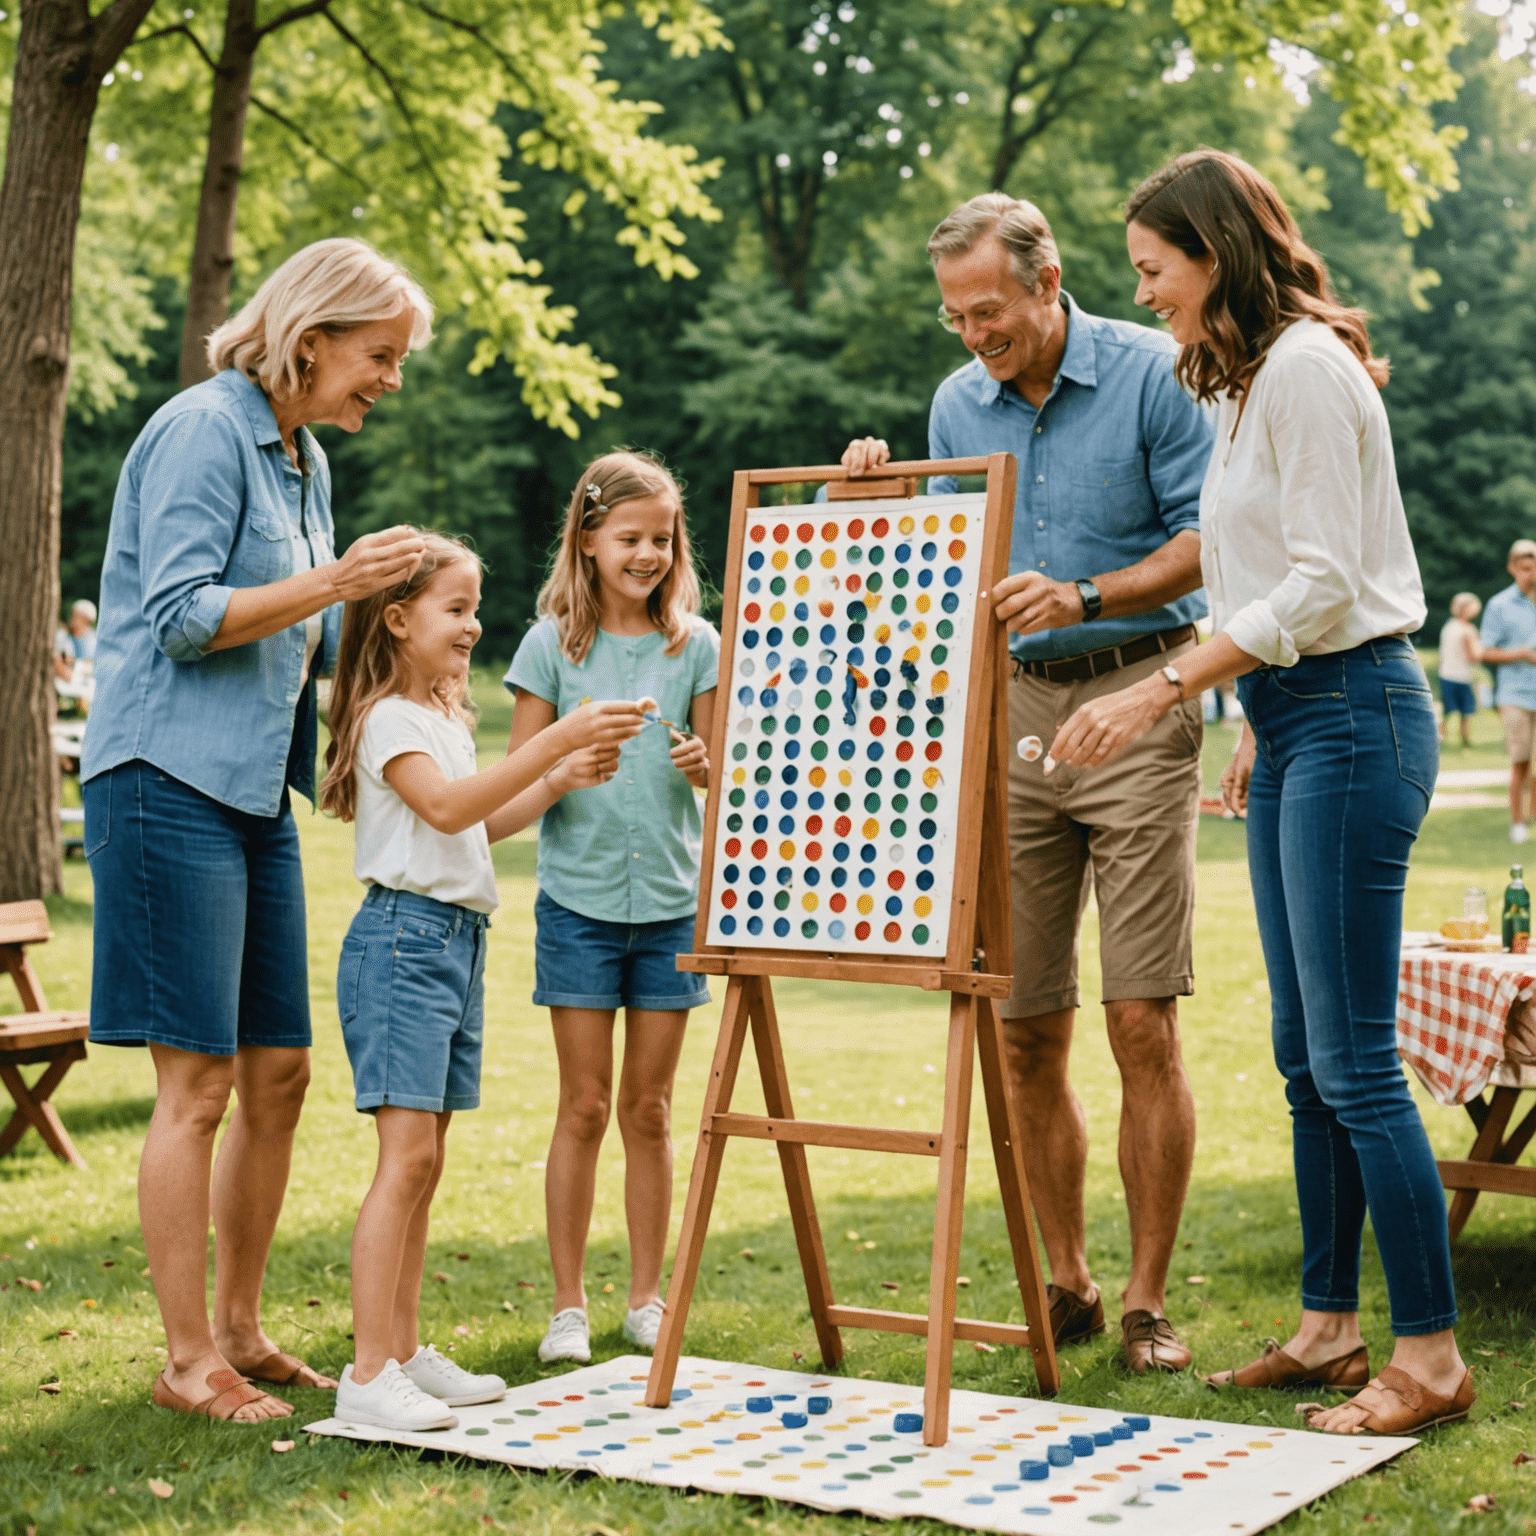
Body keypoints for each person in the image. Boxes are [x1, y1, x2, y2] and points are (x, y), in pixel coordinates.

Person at [1049, 149, 1473, 1436]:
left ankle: (1434, 1358)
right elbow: (1257, 586)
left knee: (1353, 1063)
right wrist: (1247, 713)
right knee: (1304, 1059)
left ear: (1214, 251)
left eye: (1152, 268)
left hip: (1358, 716)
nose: (1147, 292)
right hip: (1297, 724)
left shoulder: (1300, 369)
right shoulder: (1235, 380)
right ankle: (1329, 1328)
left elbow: (1327, 584)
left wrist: (1163, 689)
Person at [839, 192, 1214, 1372]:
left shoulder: (1158, 372)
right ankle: (1069, 1281)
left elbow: (1215, 541)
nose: (971, 335)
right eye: (955, 315)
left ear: (1048, 285)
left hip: (1137, 693)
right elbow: (944, 573)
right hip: (1011, 719)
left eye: (987, 310)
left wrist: (1086, 594)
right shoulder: (959, 401)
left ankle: (1149, 1300)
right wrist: (884, 503)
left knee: (1140, 1016)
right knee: (1023, 1029)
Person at [80, 238, 433, 1424]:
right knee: (197, 1082)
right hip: (161, 774)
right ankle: (188, 1364)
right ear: (313, 334)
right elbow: (181, 618)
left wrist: (419, 617)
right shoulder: (202, 429)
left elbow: (316, 644)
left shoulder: (302, 457)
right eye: (378, 356)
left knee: (277, 1072)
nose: (388, 378)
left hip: (247, 791)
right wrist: (339, 584)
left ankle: (237, 1330)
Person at [317, 532, 644, 1431]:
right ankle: (368, 1368)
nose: (473, 625)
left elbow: (478, 824)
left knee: (429, 1159)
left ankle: (405, 1351)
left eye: (474, 608)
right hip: (402, 944)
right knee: (407, 1157)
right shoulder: (389, 719)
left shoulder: (448, 721)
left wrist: (560, 778)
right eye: (454, 609)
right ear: (397, 619)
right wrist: (558, 737)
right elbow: (449, 807)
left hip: (456, 943)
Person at [503, 451, 718, 1367]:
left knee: (652, 1110)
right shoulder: (551, 646)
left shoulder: (696, 645)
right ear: (588, 541)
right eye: (629, 538)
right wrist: (565, 769)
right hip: (581, 908)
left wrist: (708, 769)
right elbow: (514, 784)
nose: (648, 555)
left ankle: (644, 1296)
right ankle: (566, 1307)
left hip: (670, 907)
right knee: (584, 1105)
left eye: (661, 539)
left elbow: (727, 772)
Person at [1478, 541, 1536, 843]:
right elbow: (1483, 651)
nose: (1531, 573)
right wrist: (1520, 654)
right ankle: (1518, 821)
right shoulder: (1499, 605)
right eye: (1525, 568)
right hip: (1515, 694)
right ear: (1512, 568)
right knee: (1522, 760)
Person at [1437, 593, 1483, 748]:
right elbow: (1473, 656)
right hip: (1462, 675)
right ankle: (1465, 740)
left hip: (1446, 673)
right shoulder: (1466, 630)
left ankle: (1440, 738)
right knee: (1465, 711)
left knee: (1447, 711)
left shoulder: (1448, 626)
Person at [54, 598, 98, 683]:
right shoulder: (62, 635)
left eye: (77, 617)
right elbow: (57, 659)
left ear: (87, 621)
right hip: (65, 679)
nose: (72, 619)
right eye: (72, 615)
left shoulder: (93, 639)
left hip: (86, 680)